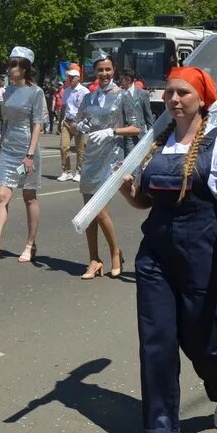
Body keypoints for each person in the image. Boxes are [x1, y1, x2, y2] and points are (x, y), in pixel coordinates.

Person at [121, 66, 217, 433]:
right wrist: (130, 193)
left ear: (201, 99)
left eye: (183, 94)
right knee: (156, 340)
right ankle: (161, 428)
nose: (174, 100)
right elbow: (147, 202)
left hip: (203, 253)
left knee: (201, 339)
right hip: (156, 254)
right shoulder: (157, 144)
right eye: (170, 94)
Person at [75, 54, 143, 280]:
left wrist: (112, 131)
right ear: (94, 72)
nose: (104, 74)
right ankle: (94, 259)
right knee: (88, 213)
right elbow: (78, 121)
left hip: (112, 158)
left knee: (99, 210)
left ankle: (115, 252)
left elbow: (137, 127)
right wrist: (82, 125)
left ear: (113, 71)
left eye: (107, 70)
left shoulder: (122, 96)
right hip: (91, 157)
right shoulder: (89, 97)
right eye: (100, 70)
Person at [0, 47, 47, 265]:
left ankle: (30, 244)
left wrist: (30, 154)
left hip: (26, 153)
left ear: (25, 68)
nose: (10, 69)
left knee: (29, 196)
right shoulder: (8, 91)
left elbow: (38, 124)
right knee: (2, 196)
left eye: (14, 65)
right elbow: (5, 123)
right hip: (9, 150)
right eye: (9, 64)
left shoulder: (36, 92)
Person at [58, 68, 87, 182]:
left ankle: (80, 171)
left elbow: (86, 108)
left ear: (78, 78)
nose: (70, 79)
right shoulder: (67, 91)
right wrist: (61, 120)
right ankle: (66, 171)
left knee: (80, 149)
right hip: (67, 121)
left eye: (72, 77)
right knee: (63, 147)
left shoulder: (84, 91)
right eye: (69, 77)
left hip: (79, 122)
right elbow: (64, 106)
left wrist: (82, 122)